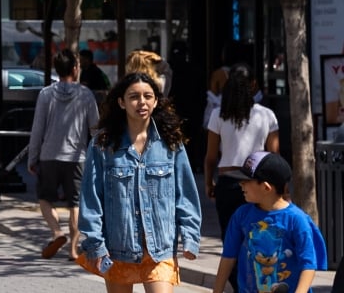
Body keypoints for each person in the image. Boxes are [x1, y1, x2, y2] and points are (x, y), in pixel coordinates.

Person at [77, 72, 201, 292]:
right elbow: (91, 199)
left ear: (155, 101)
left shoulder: (171, 143)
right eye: (134, 96)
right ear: (121, 102)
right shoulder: (103, 145)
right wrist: (96, 244)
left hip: (160, 249)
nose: (141, 102)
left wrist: (190, 237)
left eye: (147, 96)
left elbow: (186, 195)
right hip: (117, 249)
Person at [211, 152, 328, 293]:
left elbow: (308, 265)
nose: (241, 185)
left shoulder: (297, 220)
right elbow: (228, 257)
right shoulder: (241, 215)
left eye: (246, 181)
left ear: (266, 187)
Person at [25, 49, 98, 260]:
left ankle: (57, 232)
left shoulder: (46, 94)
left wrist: (32, 157)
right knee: (74, 204)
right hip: (77, 157)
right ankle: (74, 250)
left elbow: (37, 128)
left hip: (49, 155)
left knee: (45, 199)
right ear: (75, 69)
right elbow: (95, 128)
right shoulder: (86, 94)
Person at [204, 65, 278, 236]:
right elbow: (274, 155)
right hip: (257, 181)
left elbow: (211, 156)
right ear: (253, 85)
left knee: (230, 239)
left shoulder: (218, 114)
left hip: (228, 181)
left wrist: (209, 182)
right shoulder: (267, 115)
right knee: (257, 238)